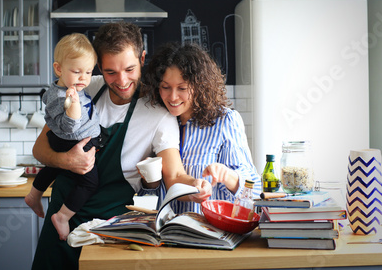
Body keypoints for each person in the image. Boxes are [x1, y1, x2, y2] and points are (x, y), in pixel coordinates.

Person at [31, 22, 211, 270]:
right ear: (99, 68)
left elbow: (175, 175)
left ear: (142, 58)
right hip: (61, 219)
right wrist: (67, 161)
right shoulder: (85, 88)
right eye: (110, 72)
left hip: (113, 231)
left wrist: (196, 185)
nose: (122, 80)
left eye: (129, 69)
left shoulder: (159, 113)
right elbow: (39, 149)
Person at [142, 41, 262, 214]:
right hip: (165, 234)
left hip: (209, 233)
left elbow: (254, 191)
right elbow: (152, 199)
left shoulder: (225, 121)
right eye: (165, 87)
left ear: (199, 86)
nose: (173, 97)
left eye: (182, 88)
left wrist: (227, 176)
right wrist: (149, 183)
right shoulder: (157, 120)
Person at [25, 33, 101, 241]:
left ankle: (34, 195)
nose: (84, 78)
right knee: (89, 182)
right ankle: (62, 216)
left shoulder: (61, 87)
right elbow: (69, 127)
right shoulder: (65, 96)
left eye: (88, 71)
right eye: (77, 72)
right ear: (58, 69)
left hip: (64, 141)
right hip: (73, 141)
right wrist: (74, 106)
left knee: (54, 168)